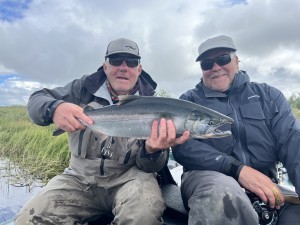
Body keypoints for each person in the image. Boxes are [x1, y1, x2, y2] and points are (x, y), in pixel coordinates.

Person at [15, 38, 190, 225]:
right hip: (79, 179)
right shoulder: (81, 89)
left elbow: (150, 168)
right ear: (105, 66)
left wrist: (152, 152)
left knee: (143, 214)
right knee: (28, 219)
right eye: (116, 60)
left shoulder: (155, 104)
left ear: (139, 69)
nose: (123, 67)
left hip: (131, 179)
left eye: (131, 62)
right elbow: (36, 99)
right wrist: (54, 108)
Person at [172, 35, 300, 225]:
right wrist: (236, 168)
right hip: (209, 180)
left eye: (223, 59)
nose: (216, 67)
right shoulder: (188, 100)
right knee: (222, 194)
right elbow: (183, 148)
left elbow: (293, 142)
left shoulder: (269, 96)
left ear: (237, 61)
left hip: (267, 185)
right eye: (207, 64)